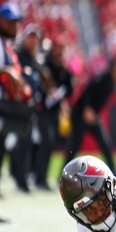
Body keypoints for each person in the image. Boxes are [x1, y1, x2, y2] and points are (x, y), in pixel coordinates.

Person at [61, 55, 116, 174]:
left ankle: (114, 175)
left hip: (93, 116)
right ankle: (64, 173)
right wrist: (87, 108)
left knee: (105, 144)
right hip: (80, 114)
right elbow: (87, 91)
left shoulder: (112, 80)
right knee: (74, 145)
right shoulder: (103, 77)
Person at [0, 2, 34, 195]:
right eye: (10, 22)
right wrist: (7, 71)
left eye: (16, 22)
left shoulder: (5, 45)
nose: (14, 26)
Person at [33, 38, 74, 189]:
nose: (59, 51)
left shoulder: (64, 70)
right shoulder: (44, 65)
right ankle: (37, 176)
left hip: (54, 112)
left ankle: (41, 177)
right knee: (44, 141)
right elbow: (38, 82)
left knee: (50, 143)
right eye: (58, 48)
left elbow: (70, 88)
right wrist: (47, 90)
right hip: (41, 110)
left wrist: (59, 92)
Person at [13, 24, 44, 190]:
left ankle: (22, 178)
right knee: (17, 142)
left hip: (30, 107)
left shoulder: (36, 59)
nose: (33, 40)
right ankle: (18, 178)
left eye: (35, 37)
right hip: (15, 105)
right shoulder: (18, 56)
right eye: (30, 37)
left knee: (26, 142)